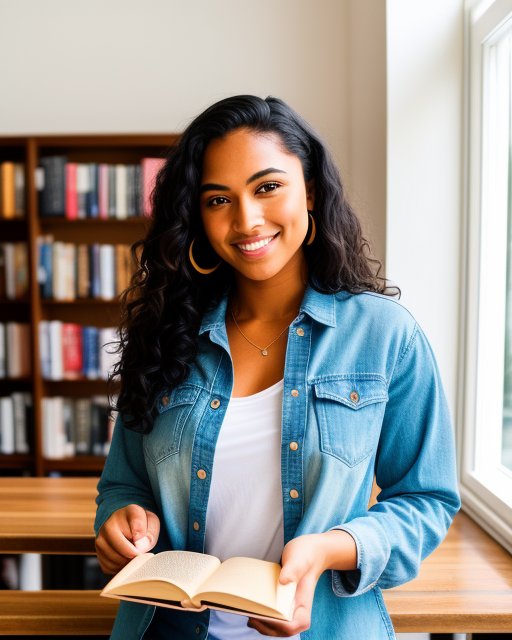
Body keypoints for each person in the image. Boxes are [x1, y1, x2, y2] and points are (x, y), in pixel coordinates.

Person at [94, 94, 461, 640]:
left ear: (309, 190)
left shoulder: (385, 336)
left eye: (268, 187)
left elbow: (426, 500)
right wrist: (121, 521)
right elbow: (124, 485)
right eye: (218, 199)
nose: (246, 221)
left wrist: (330, 549)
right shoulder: (166, 335)